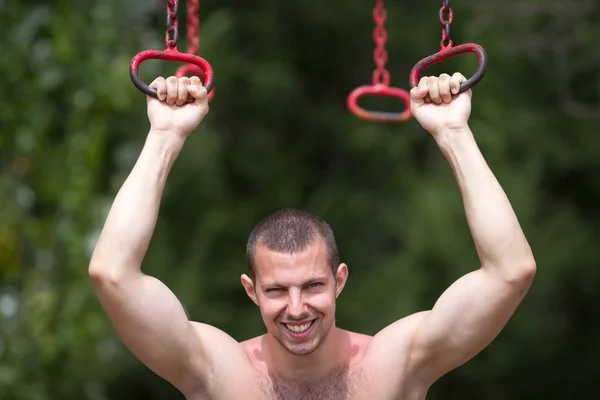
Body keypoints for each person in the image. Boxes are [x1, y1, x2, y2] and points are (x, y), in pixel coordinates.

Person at [89, 73, 536, 400]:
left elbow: (510, 272)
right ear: (252, 290)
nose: (297, 308)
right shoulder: (219, 374)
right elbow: (112, 274)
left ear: (339, 280)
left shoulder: (393, 366)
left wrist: (454, 134)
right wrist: (164, 136)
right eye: (277, 290)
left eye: (313, 285)